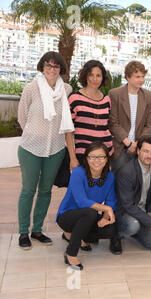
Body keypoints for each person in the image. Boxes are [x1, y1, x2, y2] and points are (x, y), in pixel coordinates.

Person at [16, 51, 74, 250]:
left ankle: (37, 230)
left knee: (45, 190)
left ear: (61, 69)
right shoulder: (31, 88)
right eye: (48, 66)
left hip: (55, 149)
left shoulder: (66, 89)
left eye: (56, 66)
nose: (52, 70)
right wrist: (35, 135)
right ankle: (23, 231)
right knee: (28, 190)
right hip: (31, 148)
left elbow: (66, 121)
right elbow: (22, 117)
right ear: (42, 67)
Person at [56, 141, 122, 270]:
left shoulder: (109, 176)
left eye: (101, 157)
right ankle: (71, 253)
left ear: (106, 159)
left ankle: (74, 235)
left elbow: (111, 201)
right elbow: (81, 201)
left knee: (110, 229)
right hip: (67, 216)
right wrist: (106, 209)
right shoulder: (78, 173)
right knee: (89, 212)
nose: (97, 160)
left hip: (88, 217)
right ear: (86, 158)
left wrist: (104, 217)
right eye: (92, 157)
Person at [115, 136, 151, 250]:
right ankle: (116, 235)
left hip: (142, 212)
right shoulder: (126, 172)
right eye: (145, 151)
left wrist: (150, 214)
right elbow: (128, 205)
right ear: (138, 151)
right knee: (132, 225)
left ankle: (135, 230)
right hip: (125, 213)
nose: (149, 156)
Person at [109, 61, 151, 173]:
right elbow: (112, 122)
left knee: (136, 182)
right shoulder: (115, 94)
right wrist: (128, 143)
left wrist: (137, 144)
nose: (141, 80)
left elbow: (149, 124)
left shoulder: (148, 96)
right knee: (118, 181)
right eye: (137, 77)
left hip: (139, 148)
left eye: (143, 76)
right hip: (120, 146)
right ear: (127, 77)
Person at [67, 60, 114, 170]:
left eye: (98, 75)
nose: (94, 79)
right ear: (85, 76)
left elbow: (106, 127)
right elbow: (68, 131)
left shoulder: (106, 100)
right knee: (82, 186)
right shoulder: (74, 98)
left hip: (104, 154)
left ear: (103, 78)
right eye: (91, 75)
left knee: (101, 186)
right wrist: (73, 158)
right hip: (83, 154)